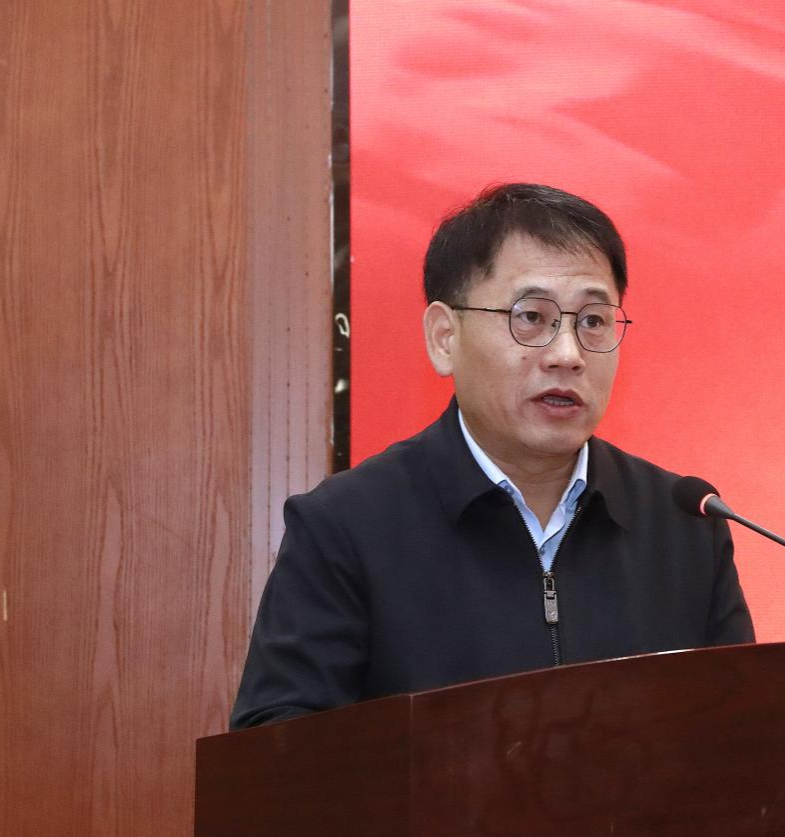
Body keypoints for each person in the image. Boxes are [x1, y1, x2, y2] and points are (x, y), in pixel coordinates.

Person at [230, 183, 754, 729]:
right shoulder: (346, 526)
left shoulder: (685, 527)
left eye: (593, 321)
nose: (568, 354)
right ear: (444, 337)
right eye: (531, 317)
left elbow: (742, 738)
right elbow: (276, 746)